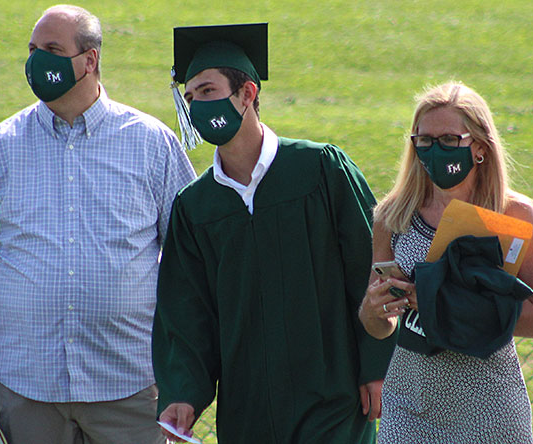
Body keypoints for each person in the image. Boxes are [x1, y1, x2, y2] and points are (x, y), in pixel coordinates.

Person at [0, 5, 196, 444]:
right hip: (26, 387)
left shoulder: (152, 143)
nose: (38, 61)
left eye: (53, 50)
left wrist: (186, 371)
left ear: (89, 60)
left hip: (128, 386)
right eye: (33, 50)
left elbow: (191, 261)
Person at [152, 23, 397, 444]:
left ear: (247, 94)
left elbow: (371, 267)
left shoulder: (321, 170)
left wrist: (376, 365)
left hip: (334, 399)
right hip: (248, 410)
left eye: (208, 91)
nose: (196, 106)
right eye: (190, 97)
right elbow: (187, 312)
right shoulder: (195, 207)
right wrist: (183, 394)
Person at [358, 82, 533, 443]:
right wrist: (373, 309)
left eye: (449, 140)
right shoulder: (392, 215)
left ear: (479, 146)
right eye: (424, 140)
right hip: (410, 403)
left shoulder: (513, 215)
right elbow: (380, 326)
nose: (435, 150)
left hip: (490, 405)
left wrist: (440, 302)